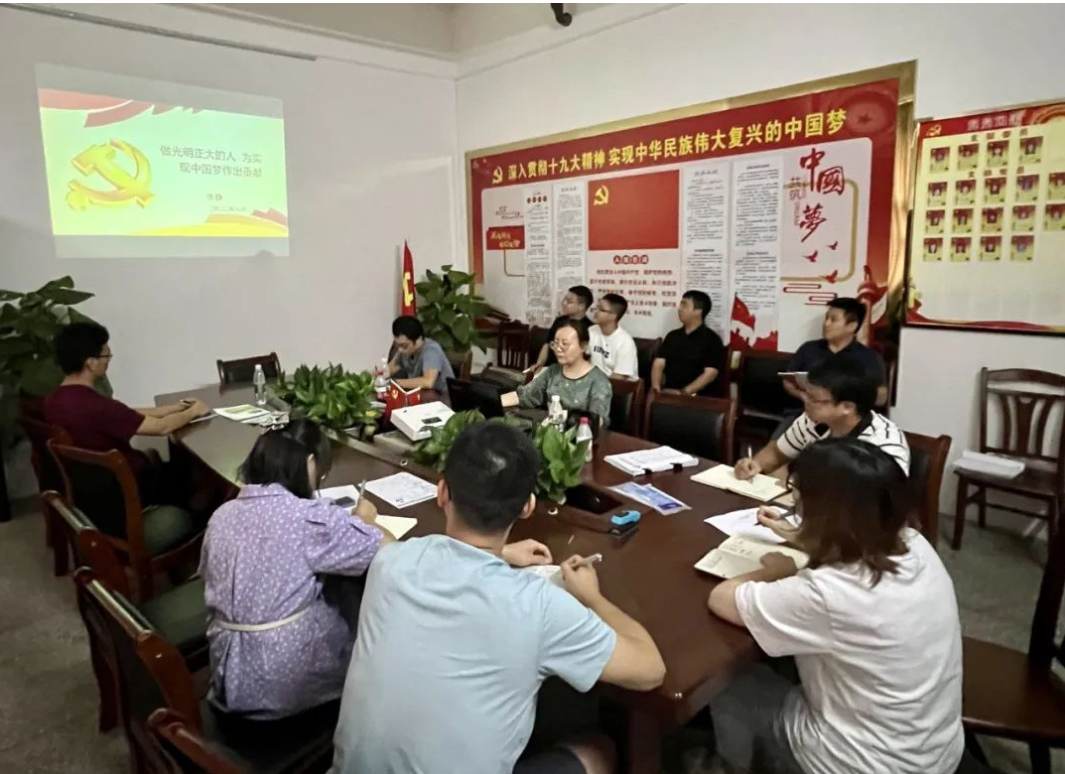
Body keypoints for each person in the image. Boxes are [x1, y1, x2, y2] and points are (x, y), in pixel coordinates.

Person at [331, 422, 666, 774]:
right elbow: (650, 670)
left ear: (442, 492)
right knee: (599, 751)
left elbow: (383, 539)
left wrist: (499, 553)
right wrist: (593, 598)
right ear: (528, 507)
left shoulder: (390, 564)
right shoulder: (540, 606)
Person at [707, 439, 963, 774]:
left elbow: (722, 599)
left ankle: (729, 766)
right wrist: (797, 534)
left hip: (855, 763)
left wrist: (774, 571)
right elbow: (849, 545)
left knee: (729, 681)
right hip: (934, 750)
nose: (794, 502)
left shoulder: (831, 592)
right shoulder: (916, 545)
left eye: (796, 495)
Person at [200, 419, 392, 720]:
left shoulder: (222, 514)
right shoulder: (309, 519)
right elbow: (387, 550)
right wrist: (365, 520)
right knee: (359, 592)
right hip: (283, 689)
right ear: (310, 463)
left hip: (227, 674)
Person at [44, 322, 211, 505]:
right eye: (106, 355)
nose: (108, 361)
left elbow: (123, 414)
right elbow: (162, 428)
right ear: (91, 363)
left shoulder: (55, 400)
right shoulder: (98, 407)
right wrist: (195, 410)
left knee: (176, 462)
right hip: (129, 488)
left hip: (98, 489)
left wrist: (170, 409)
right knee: (197, 473)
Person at [735, 353, 909, 480]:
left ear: (847, 407)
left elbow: (878, 508)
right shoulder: (813, 421)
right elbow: (777, 453)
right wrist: (755, 465)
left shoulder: (883, 446)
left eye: (814, 399)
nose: (805, 401)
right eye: (806, 393)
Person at [507, 317, 612, 429]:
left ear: (583, 346)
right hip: (547, 431)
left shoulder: (598, 381)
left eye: (564, 344)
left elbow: (597, 421)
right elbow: (527, 396)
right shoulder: (553, 371)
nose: (558, 349)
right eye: (555, 343)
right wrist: (500, 400)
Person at [784, 298, 888, 410]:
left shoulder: (869, 357)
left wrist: (851, 395)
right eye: (826, 318)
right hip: (806, 411)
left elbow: (881, 398)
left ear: (852, 326)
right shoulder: (808, 348)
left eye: (833, 319)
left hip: (846, 415)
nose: (826, 324)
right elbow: (788, 381)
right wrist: (804, 397)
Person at [651, 290, 727, 397]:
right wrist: (656, 389)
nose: (680, 309)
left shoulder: (712, 340)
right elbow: (658, 363)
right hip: (669, 394)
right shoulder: (672, 336)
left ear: (698, 311)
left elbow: (710, 374)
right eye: (680, 304)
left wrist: (684, 392)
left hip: (699, 398)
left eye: (684, 305)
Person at [531, 285, 594, 375]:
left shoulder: (590, 329)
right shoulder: (559, 321)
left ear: (581, 306)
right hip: (549, 369)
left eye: (569, 301)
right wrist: (540, 363)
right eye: (564, 299)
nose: (564, 303)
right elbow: (547, 344)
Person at [389, 315, 455, 397]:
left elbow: (428, 382)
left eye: (404, 346)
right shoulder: (404, 351)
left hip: (441, 398)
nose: (400, 350)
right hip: (420, 397)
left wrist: (396, 383)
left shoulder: (431, 351)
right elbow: (389, 370)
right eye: (398, 345)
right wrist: (377, 377)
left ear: (418, 340)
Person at [589, 293, 638, 379]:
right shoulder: (591, 331)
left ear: (613, 316)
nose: (596, 311)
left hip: (616, 384)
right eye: (597, 307)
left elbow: (619, 377)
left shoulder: (625, 342)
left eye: (601, 309)